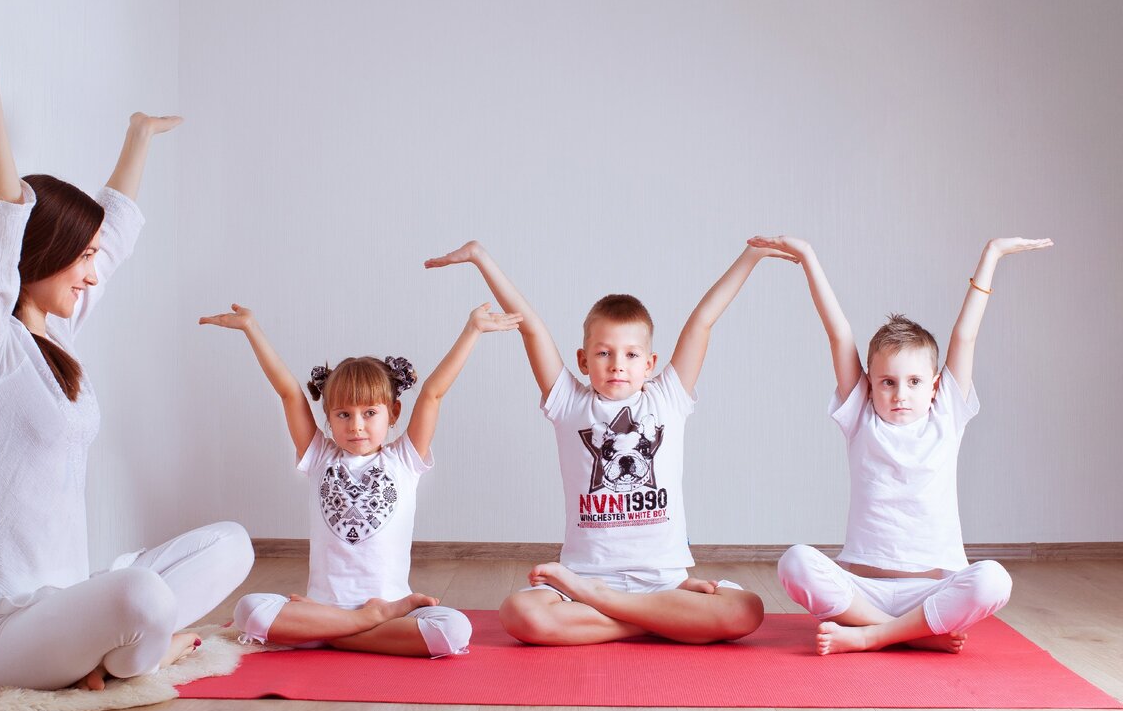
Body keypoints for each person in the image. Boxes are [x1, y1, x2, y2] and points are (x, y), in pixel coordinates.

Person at [0, 35, 254, 690]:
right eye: (80, 257)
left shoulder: (59, 337)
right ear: (41, 253)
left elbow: (115, 237)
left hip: (68, 602)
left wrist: (139, 136)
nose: (91, 273)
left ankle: (112, 653)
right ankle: (139, 656)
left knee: (233, 545)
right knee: (142, 597)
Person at [424, 240, 781, 645]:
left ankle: (615, 608)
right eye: (604, 353)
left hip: (660, 580)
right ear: (583, 360)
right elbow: (530, 326)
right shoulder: (569, 403)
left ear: (651, 363)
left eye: (631, 355)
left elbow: (702, 322)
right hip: (585, 576)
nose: (617, 365)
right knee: (519, 614)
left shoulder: (667, 398)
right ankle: (665, 620)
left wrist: (751, 256)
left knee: (747, 610)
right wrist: (481, 258)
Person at [749, 234, 1053, 655]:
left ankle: (869, 635)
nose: (900, 394)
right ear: (869, 384)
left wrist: (992, 255)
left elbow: (964, 336)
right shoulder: (861, 416)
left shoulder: (947, 415)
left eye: (914, 382)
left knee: (994, 581)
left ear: (935, 386)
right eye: (887, 382)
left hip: (930, 594)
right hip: (863, 591)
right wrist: (808, 258)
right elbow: (838, 334)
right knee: (795, 562)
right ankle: (907, 633)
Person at [199, 302, 520, 656]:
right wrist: (251, 328)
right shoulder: (319, 456)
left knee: (453, 629)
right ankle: (361, 624)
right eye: (343, 414)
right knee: (248, 610)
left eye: (369, 413)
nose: (356, 426)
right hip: (327, 606)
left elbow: (433, 393)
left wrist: (473, 329)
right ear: (328, 416)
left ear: (393, 413)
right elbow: (289, 391)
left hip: (383, 608)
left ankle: (329, 634)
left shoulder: (404, 459)